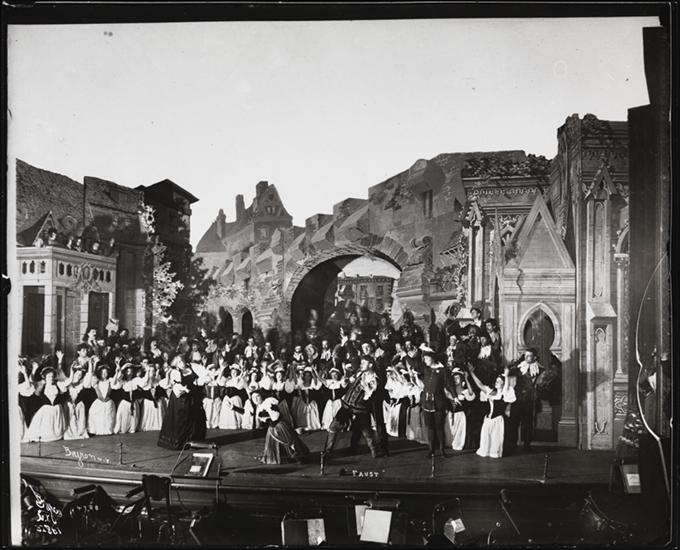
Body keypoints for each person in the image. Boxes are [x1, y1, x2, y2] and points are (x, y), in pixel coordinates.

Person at [323, 355, 380, 459]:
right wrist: (346, 381)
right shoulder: (360, 373)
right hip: (346, 405)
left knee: (366, 432)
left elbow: (369, 395)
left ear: (370, 365)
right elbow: (350, 381)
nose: (361, 364)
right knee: (333, 427)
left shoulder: (374, 379)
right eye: (361, 362)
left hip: (360, 409)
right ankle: (327, 451)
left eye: (364, 363)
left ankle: (374, 450)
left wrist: (366, 387)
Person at [157, 355, 207, 450]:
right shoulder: (175, 372)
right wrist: (184, 389)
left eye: (182, 360)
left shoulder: (191, 368)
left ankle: (193, 440)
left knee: (194, 418)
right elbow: (176, 387)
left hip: (192, 397)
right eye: (179, 362)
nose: (182, 363)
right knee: (181, 418)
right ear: (176, 364)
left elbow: (200, 378)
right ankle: (181, 442)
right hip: (181, 399)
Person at [468, 366, 515, 458]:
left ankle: (495, 452)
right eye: (496, 381)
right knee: (486, 439)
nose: (497, 382)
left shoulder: (504, 394)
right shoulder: (491, 392)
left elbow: (506, 388)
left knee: (496, 440)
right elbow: (480, 385)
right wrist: (471, 373)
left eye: (499, 381)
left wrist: (506, 376)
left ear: (503, 383)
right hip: (488, 420)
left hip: (498, 420)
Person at [419, 345, 454, 458]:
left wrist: (455, 396)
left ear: (432, 358)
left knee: (439, 427)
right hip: (426, 402)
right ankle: (431, 449)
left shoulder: (443, 370)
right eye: (424, 358)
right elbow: (414, 364)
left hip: (439, 402)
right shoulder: (425, 369)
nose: (425, 360)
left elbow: (449, 384)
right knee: (430, 427)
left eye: (426, 358)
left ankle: (442, 450)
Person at [255, 396, 309, 465]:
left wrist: (268, 415)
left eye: (257, 397)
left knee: (288, 441)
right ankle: (282, 457)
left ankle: (297, 457)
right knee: (274, 445)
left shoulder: (270, 401)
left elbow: (276, 416)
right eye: (254, 398)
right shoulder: (260, 407)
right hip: (272, 427)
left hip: (279, 426)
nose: (255, 399)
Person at [508, 349, 544, 452]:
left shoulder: (540, 369)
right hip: (517, 399)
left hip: (529, 399)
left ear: (534, 357)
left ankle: (527, 445)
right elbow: (509, 372)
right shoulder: (520, 367)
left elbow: (541, 384)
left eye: (529, 356)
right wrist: (515, 363)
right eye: (525, 356)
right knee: (514, 422)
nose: (526, 358)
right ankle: (512, 445)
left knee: (528, 423)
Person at [22, 366, 68, 443]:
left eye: (52, 376)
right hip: (47, 409)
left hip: (56, 409)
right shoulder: (42, 386)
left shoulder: (57, 385)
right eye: (49, 376)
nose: (51, 378)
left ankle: (56, 435)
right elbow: (35, 397)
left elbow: (63, 394)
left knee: (56, 427)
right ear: (45, 377)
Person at [443, 368, 475, 451]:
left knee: (459, 432)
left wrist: (467, 379)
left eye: (457, 378)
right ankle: (449, 444)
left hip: (460, 415)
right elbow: (446, 392)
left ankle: (458, 444)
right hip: (450, 414)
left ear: (461, 379)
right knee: (449, 431)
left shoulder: (465, 391)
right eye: (454, 378)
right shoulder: (450, 390)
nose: (455, 380)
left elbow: (471, 394)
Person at [88, 363, 117, 435]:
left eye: (105, 372)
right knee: (97, 415)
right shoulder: (97, 382)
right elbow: (92, 376)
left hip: (108, 401)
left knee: (108, 416)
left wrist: (117, 370)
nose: (104, 374)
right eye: (102, 372)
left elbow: (115, 379)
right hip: (99, 401)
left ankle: (108, 430)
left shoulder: (110, 381)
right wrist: (94, 364)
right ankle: (98, 430)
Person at [138, 363, 168, 432]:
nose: (152, 372)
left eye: (153, 371)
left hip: (157, 401)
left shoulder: (157, 380)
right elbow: (143, 385)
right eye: (150, 371)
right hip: (148, 402)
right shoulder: (144, 381)